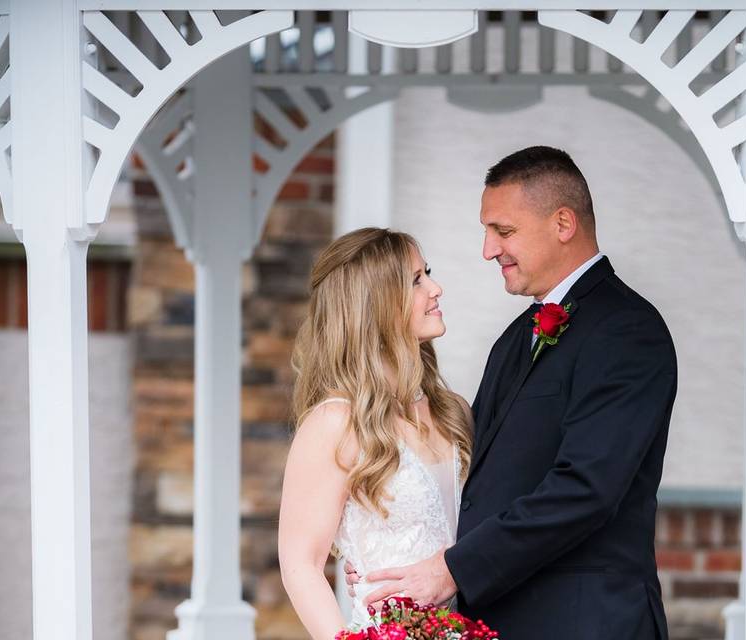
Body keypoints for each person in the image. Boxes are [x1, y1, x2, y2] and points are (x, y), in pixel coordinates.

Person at [352, 146, 678, 639]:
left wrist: (452, 571)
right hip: (504, 618)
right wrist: (399, 558)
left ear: (563, 223)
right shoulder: (515, 337)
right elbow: (478, 478)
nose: (488, 250)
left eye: (503, 231)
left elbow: (586, 488)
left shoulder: (627, 330)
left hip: (586, 622)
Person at [277, 228, 473, 639]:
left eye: (428, 274)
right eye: (416, 280)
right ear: (376, 304)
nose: (435, 289)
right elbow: (301, 564)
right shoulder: (334, 423)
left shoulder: (453, 412)